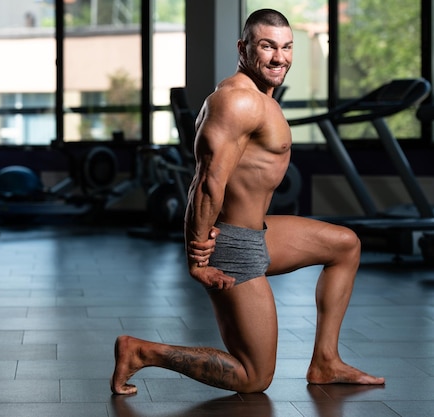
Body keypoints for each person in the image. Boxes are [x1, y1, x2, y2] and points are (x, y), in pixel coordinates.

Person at [111, 8, 385, 395]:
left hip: (256, 231)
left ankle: (325, 361)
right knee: (254, 378)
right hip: (233, 246)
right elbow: (206, 183)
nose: (280, 57)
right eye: (267, 46)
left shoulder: (260, 97)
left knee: (345, 245)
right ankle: (141, 352)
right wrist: (197, 261)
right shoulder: (237, 102)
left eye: (287, 47)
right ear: (243, 48)